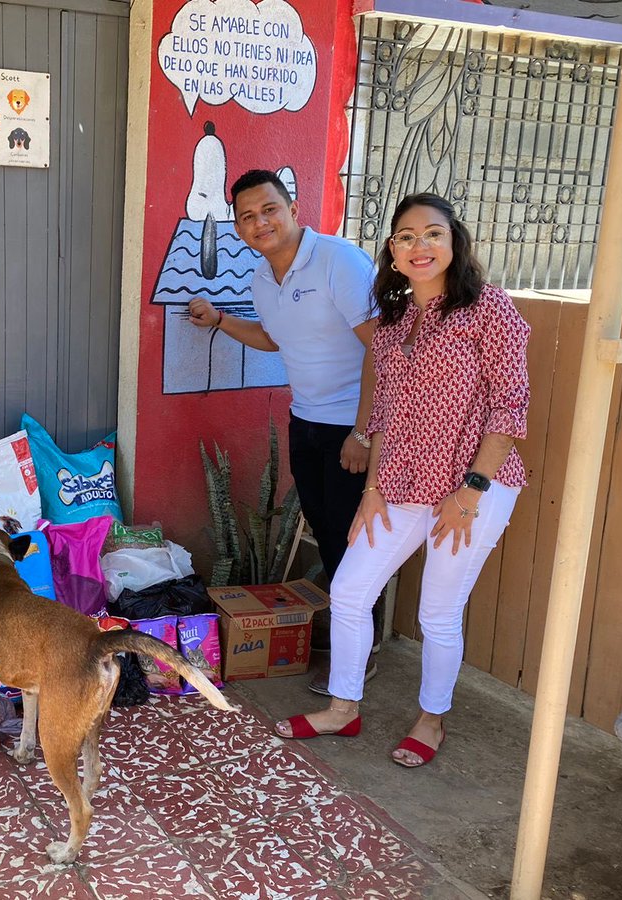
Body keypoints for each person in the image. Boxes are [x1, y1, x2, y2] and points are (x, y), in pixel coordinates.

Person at [273, 192, 530, 768]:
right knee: (349, 589)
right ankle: (343, 708)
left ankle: (431, 719)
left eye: (432, 233)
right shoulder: (392, 322)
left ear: (453, 241)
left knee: (438, 610)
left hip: (473, 485)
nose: (420, 246)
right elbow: (385, 415)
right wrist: (372, 492)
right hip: (402, 485)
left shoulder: (488, 308)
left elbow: (510, 408)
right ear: (392, 249)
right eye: (407, 236)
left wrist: (472, 491)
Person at [189, 169, 384, 691]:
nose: (260, 222)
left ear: (293, 207)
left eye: (269, 209)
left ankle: (357, 658)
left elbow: (382, 348)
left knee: (351, 545)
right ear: (237, 226)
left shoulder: (337, 260)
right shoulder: (261, 276)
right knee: (330, 534)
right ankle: (353, 646)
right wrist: (220, 319)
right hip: (307, 424)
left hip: (351, 425)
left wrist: (364, 435)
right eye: (247, 216)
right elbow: (275, 340)